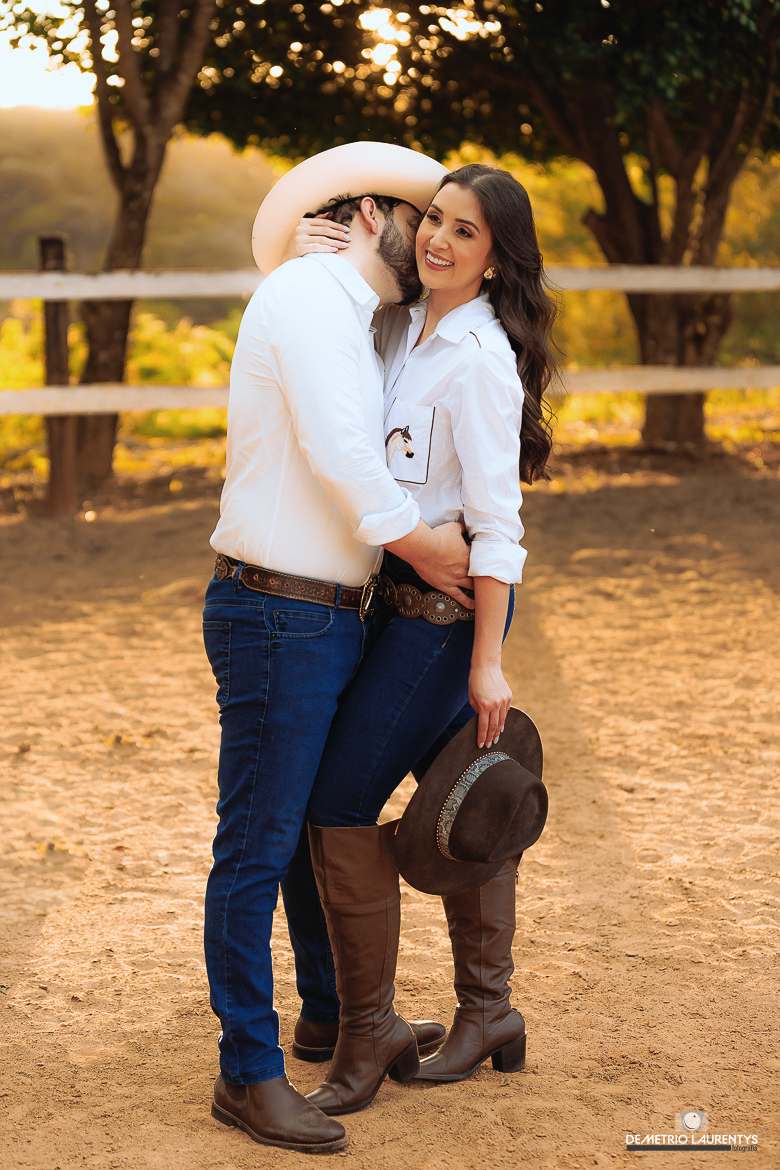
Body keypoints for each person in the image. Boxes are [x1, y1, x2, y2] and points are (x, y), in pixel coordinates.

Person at [202, 143, 476, 1155]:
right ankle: (246, 1072)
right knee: (257, 845)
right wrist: (429, 551)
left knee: (316, 825)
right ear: (368, 214)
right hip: (278, 610)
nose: (435, 238)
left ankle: (331, 1012)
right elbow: (341, 452)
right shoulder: (308, 296)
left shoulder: (359, 314)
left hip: (328, 611)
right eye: (422, 218)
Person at [276, 162, 558, 1115]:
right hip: (383, 607)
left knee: (340, 800)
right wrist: (301, 251)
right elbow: (315, 331)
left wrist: (488, 663)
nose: (438, 239)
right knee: (462, 792)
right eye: (434, 218)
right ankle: (488, 1012)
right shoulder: (398, 326)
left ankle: (367, 1035)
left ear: (497, 258)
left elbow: (500, 527)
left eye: (465, 231)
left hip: (443, 621)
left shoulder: (480, 360)